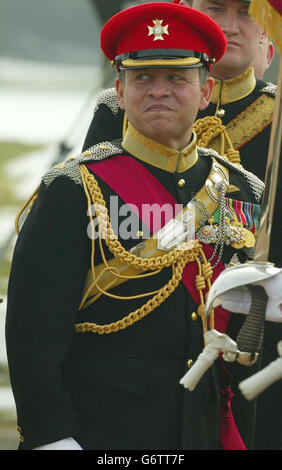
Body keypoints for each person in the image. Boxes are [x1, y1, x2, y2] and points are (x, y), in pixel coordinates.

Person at [6, 2, 266, 451]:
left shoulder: (241, 189)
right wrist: (52, 438)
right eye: (142, 77)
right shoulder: (72, 190)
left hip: (207, 426)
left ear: (205, 90)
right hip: (103, 433)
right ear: (120, 92)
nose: (158, 91)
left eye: (177, 77)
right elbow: (33, 337)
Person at [82, 0, 282, 449]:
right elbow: (95, 228)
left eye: (246, 13)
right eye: (215, 8)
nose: (229, 26)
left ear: (268, 30)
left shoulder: (278, 117)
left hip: (252, 348)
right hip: (137, 357)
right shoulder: (118, 110)